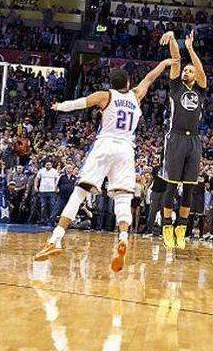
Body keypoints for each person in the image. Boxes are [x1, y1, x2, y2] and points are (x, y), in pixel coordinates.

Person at [34, 58, 177, 272]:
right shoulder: (136, 96)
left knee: (80, 193)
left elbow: (79, 103)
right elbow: (150, 77)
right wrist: (165, 63)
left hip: (105, 145)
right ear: (128, 82)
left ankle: (55, 239)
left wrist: (58, 106)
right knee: (123, 197)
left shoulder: (105, 95)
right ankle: (123, 237)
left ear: (112, 83)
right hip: (126, 149)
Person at [158, 30, 207, 250]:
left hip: (194, 140)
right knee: (171, 185)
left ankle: (182, 228)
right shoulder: (176, 86)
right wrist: (173, 39)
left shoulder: (201, 89)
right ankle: (167, 227)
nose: (187, 71)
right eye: (186, 70)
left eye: (190, 70)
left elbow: (201, 69)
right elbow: (176, 61)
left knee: (189, 188)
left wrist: (191, 48)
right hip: (175, 138)